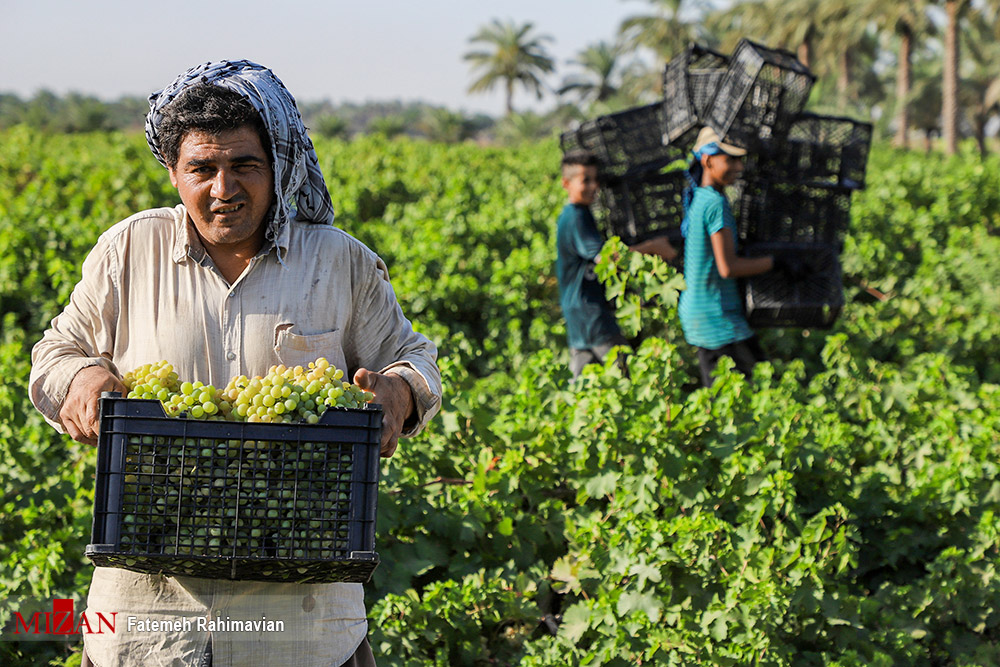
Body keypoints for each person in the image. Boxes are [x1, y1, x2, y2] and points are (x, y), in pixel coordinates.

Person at [29, 60, 442, 667]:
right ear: (174, 174)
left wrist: (400, 393)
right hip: (149, 621)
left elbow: (415, 359)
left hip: (304, 625)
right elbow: (54, 352)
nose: (224, 188)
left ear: (277, 168)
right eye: (203, 168)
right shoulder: (129, 249)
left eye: (245, 166)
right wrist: (79, 378)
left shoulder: (340, 264)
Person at [677, 126, 805, 387]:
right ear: (708, 160)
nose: (739, 167)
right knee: (754, 388)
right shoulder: (714, 203)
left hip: (703, 312)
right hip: (716, 318)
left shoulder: (701, 198)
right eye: (730, 159)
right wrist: (776, 263)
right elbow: (728, 267)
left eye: (739, 160)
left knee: (731, 392)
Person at [555, 150, 677, 378]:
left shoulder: (577, 214)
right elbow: (606, 258)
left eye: (595, 180)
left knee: (582, 375)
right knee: (627, 374)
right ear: (566, 183)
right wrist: (652, 247)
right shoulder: (576, 217)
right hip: (588, 310)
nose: (594, 186)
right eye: (586, 180)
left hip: (579, 310)